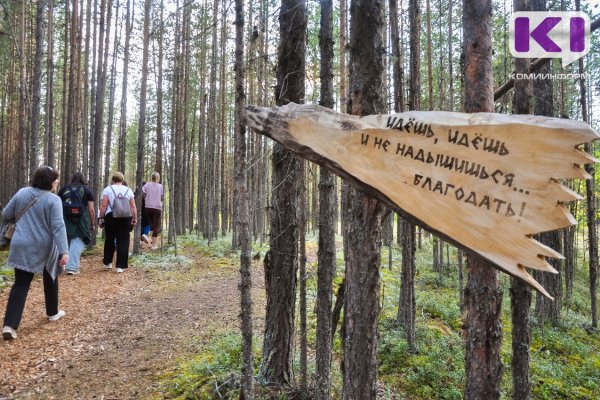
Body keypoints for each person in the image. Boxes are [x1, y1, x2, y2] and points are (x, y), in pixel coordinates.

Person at [2, 166, 69, 341]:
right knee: (51, 274)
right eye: (56, 179)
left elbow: (6, 213)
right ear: (50, 181)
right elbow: (58, 226)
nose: (57, 182)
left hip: (21, 244)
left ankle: (9, 326)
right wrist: (64, 251)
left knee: (21, 284)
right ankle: (52, 312)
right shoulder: (54, 200)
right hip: (44, 247)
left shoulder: (22, 192)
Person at [98, 172, 137, 273]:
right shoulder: (128, 190)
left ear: (113, 179)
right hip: (125, 217)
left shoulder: (107, 189)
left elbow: (103, 205)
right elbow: (133, 206)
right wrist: (134, 218)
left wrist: (101, 217)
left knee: (110, 239)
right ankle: (120, 266)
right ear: (122, 180)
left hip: (110, 216)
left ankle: (108, 263)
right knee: (123, 240)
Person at [58, 172, 95, 275]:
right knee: (78, 240)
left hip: (64, 218)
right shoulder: (87, 191)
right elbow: (91, 209)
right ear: (83, 179)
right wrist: (92, 224)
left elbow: (57, 205)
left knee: (64, 240)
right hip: (81, 219)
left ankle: (59, 266)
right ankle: (72, 267)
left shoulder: (63, 189)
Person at [142, 172, 163, 250]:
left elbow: (143, 194)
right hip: (157, 208)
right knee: (155, 226)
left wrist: (146, 199)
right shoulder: (161, 186)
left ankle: (146, 236)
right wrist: (159, 199)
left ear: (151, 177)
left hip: (148, 207)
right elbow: (162, 197)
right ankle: (153, 245)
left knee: (151, 224)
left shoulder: (147, 185)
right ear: (158, 178)